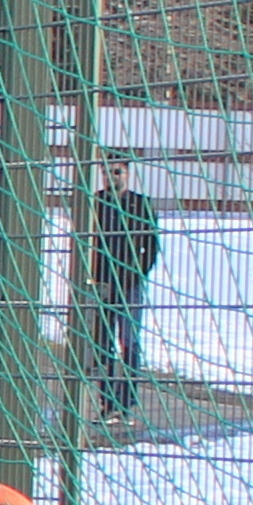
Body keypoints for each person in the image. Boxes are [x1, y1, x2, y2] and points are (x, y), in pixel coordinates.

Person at [85, 156, 160, 419]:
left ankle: (126, 403)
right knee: (103, 344)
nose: (111, 177)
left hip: (130, 285)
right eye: (106, 172)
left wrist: (137, 273)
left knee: (129, 342)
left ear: (127, 174)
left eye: (117, 172)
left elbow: (152, 246)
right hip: (102, 285)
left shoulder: (141, 205)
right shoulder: (95, 203)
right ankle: (107, 402)